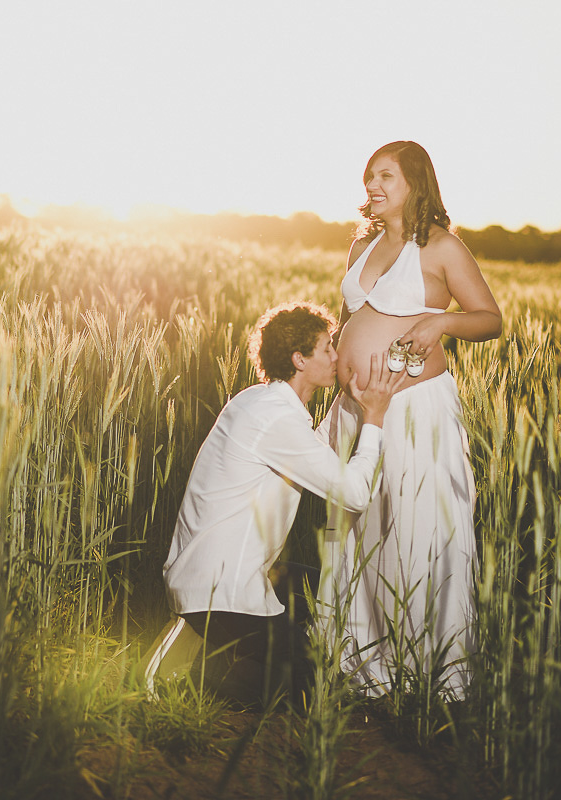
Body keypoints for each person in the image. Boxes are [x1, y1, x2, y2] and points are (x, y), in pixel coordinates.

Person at [317, 141, 502, 699]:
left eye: (385, 176)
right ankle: (364, 666)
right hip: (357, 408)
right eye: (369, 177)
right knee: (359, 529)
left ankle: (431, 675)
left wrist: (440, 322)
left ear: (415, 182)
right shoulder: (361, 245)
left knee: (417, 527)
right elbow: (349, 320)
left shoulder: (442, 247)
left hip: (414, 409)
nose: (372, 186)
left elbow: (489, 319)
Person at [159, 302, 406, 708]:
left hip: (224, 579)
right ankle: (193, 675)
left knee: (336, 587)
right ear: (299, 359)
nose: (337, 356)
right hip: (224, 594)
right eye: (327, 348)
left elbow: (311, 449)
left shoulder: (261, 403)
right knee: (313, 691)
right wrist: (374, 419)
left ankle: (229, 650)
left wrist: (350, 403)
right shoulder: (276, 419)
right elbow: (355, 493)